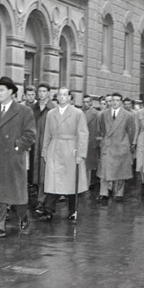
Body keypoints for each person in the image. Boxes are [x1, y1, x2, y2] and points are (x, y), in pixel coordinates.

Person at [0, 76, 36, 239]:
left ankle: (23, 216)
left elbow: (30, 134)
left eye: (1, 90)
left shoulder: (24, 111)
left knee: (16, 193)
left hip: (13, 158)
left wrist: (17, 147)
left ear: (11, 92)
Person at [37, 88, 88, 221]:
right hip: (54, 148)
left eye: (65, 95)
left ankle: (72, 210)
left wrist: (80, 154)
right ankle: (48, 210)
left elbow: (83, 134)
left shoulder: (77, 113)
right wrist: (45, 151)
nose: (62, 97)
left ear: (70, 97)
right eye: (60, 94)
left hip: (71, 149)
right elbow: (47, 134)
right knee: (53, 180)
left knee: (71, 182)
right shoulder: (51, 113)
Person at [96, 93, 136, 202]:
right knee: (104, 171)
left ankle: (119, 193)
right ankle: (103, 193)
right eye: (113, 100)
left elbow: (131, 132)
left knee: (120, 171)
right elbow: (102, 130)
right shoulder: (104, 114)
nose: (114, 102)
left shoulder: (128, 115)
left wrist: (126, 144)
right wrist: (104, 141)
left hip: (120, 146)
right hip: (108, 146)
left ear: (121, 102)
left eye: (117, 100)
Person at [30, 82, 55, 213]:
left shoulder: (53, 108)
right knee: (35, 171)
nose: (41, 94)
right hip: (34, 144)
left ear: (49, 93)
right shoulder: (32, 108)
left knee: (44, 172)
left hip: (46, 143)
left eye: (44, 91)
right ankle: (38, 199)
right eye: (39, 91)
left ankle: (42, 200)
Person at [82, 95, 100, 189]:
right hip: (83, 141)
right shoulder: (80, 112)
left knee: (90, 165)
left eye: (87, 102)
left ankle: (89, 183)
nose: (85, 104)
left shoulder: (96, 113)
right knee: (84, 164)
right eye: (84, 102)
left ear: (91, 103)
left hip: (91, 140)